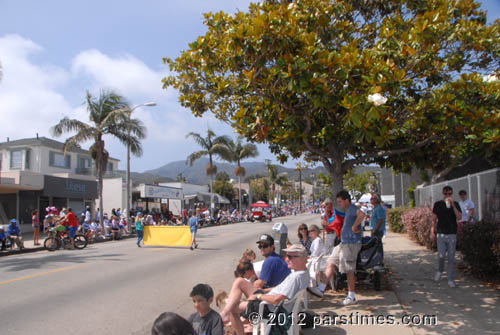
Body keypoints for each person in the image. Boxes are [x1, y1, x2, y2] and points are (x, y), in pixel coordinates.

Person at [225, 244, 310, 335]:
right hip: (271, 300)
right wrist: (263, 291)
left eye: (290, 257)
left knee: (233, 308)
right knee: (240, 281)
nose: (286, 259)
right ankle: (226, 311)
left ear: (301, 258)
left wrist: (258, 296)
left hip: (269, 307)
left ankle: (226, 314)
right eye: (286, 256)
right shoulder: (303, 272)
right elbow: (280, 289)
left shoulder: (296, 277)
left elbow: (276, 300)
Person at [308, 190, 365, 305]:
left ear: (346, 200)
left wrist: (354, 226)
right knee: (330, 262)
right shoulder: (347, 210)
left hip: (351, 243)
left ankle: (351, 296)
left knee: (349, 269)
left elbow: (362, 215)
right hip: (343, 243)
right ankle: (321, 289)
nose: (339, 204)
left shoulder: (352, 208)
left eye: (340, 201)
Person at [432, 186, 462, 287]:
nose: (447, 196)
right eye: (446, 194)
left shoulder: (456, 204)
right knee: (441, 255)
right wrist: (432, 230)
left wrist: (453, 206)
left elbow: (459, 217)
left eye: (450, 194)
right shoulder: (438, 204)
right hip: (441, 233)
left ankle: (450, 279)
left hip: (452, 233)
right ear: (443, 193)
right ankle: (440, 270)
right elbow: (434, 219)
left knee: (451, 257)